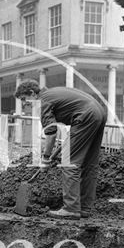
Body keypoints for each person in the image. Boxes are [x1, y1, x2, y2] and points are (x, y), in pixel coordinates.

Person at [15, 80, 107, 219]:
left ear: (32, 93)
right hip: (98, 112)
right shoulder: (52, 93)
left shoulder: (43, 101)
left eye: (24, 99)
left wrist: (45, 158)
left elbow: (51, 133)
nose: (24, 103)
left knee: (68, 161)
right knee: (89, 163)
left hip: (85, 115)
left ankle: (71, 209)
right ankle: (84, 208)